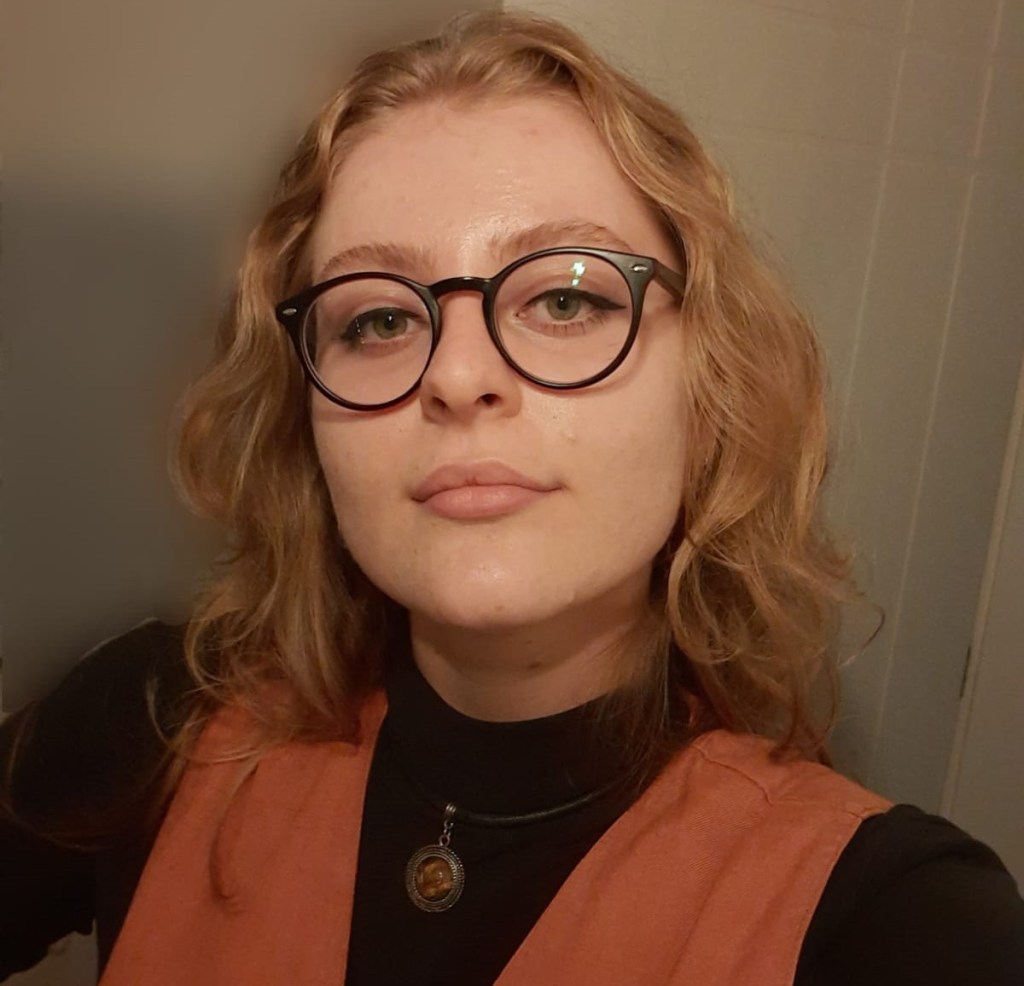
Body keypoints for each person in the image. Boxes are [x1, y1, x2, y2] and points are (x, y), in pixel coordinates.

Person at [2, 10, 1022, 985]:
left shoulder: (896, 918)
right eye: (377, 321)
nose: (458, 376)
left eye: (565, 297)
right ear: (306, 423)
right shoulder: (159, 722)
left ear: (709, 393)